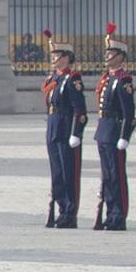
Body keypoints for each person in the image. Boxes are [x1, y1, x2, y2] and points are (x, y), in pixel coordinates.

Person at [92, 24, 136, 231]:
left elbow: (128, 113)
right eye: (107, 52)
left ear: (121, 56)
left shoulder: (123, 80)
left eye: (112, 52)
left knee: (117, 175)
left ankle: (119, 215)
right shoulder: (107, 79)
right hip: (104, 130)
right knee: (107, 176)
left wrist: (124, 135)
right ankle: (110, 214)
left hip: (114, 132)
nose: (107, 55)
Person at [42, 30, 87, 228]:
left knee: (69, 172)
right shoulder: (54, 79)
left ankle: (70, 212)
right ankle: (61, 208)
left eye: (57, 56)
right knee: (57, 172)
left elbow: (80, 109)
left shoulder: (72, 79)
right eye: (52, 56)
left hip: (66, 127)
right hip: (53, 127)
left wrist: (76, 133)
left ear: (66, 58)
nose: (53, 59)